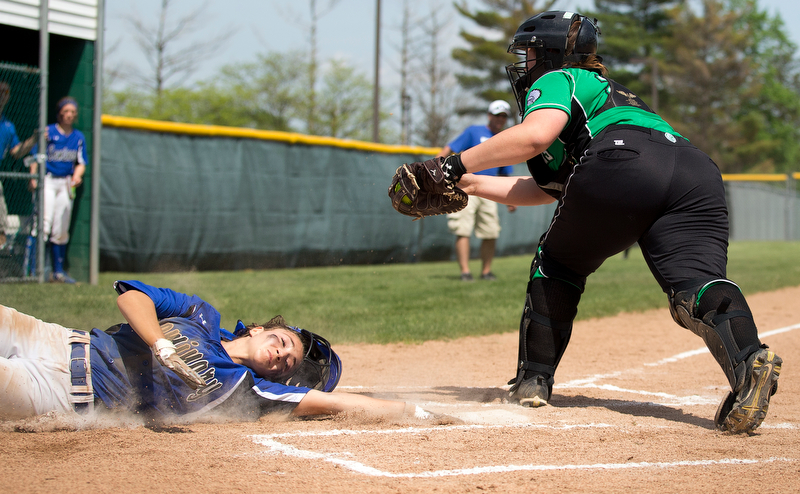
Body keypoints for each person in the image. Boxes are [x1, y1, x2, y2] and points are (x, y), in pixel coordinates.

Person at [432, 11, 782, 433]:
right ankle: (749, 362)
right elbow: (551, 188)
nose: (525, 66)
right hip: (695, 169)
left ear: (549, 54)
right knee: (694, 285)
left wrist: (450, 166)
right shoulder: (620, 95)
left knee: (557, 262)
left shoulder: (561, 76)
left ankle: (533, 382)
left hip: (622, 159)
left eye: (528, 55)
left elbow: (535, 136)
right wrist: (470, 183)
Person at [0, 280, 438, 423]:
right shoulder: (201, 314)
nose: (281, 355)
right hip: (54, 338)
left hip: (58, 394)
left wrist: (412, 411)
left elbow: (329, 401)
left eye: (286, 364)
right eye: (284, 343)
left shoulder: (241, 390)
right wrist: (160, 342)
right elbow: (132, 295)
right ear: (264, 328)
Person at [437, 100, 517, 281]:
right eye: (497, 115)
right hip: (464, 188)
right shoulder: (474, 131)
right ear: (489, 115)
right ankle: (465, 272)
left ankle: (486, 272)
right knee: (462, 229)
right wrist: (434, 167)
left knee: (491, 232)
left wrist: (511, 199)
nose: (500, 119)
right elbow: (450, 148)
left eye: (504, 116)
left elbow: (505, 173)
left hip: (489, 190)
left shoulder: (506, 139)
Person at [27, 96, 87, 283]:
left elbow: (81, 162)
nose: (69, 115)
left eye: (72, 112)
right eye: (66, 111)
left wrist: (78, 175)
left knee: (61, 227)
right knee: (43, 223)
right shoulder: (48, 132)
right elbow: (36, 155)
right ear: (60, 112)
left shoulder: (78, 137)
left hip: (66, 183)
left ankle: (57, 272)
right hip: (48, 180)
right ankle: (31, 271)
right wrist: (33, 176)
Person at [0, 82, 37, 248]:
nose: (2, 95)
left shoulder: (8, 125)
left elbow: (16, 152)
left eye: (5, 92)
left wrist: (33, 139)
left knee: (1, 224)